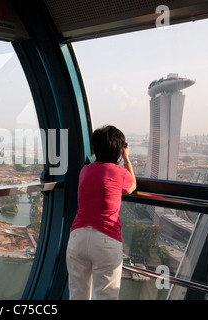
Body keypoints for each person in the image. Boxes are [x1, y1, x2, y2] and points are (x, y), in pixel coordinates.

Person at [66, 125, 136, 300]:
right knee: (106, 297)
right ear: (118, 151)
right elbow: (132, 186)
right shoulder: (120, 173)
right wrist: (126, 157)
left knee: (77, 295)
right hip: (106, 239)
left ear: (95, 148)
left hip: (77, 237)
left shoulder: (85, 170)